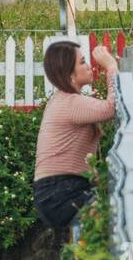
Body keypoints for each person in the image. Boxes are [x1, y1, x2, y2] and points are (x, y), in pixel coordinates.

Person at [32, 40, 119, 229]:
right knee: (111, 223)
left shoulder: (65, 101)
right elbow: (112, 107)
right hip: (60, 191)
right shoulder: (70, 103)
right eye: (82, 62)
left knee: (98, 234)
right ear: (70, 74)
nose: (89, 66)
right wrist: (111, 66)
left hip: (56, 191)